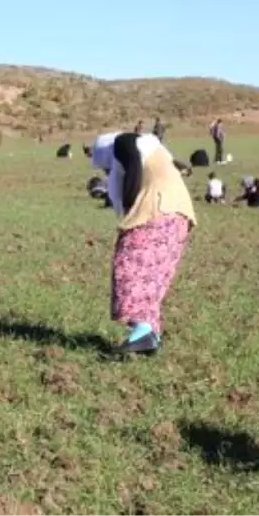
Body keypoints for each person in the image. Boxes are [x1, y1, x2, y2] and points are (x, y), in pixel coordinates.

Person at [90, 131, 196, 355]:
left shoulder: (125, 143)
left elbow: (130, 161)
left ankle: (143, 329)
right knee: (153, 274)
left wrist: (130, 208)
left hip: (157, 210)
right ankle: (149, 334)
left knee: (130, 265)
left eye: (106, 168)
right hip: (179, 215)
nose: (107, 172)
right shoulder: (151, 150)